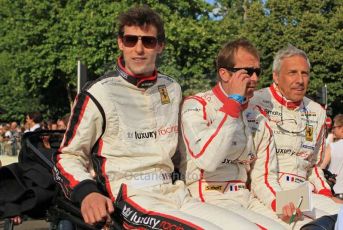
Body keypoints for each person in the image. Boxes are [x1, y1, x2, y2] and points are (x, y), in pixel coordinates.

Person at [54, 5, 258, 229]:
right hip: (130, 197)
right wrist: (87, 192)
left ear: (160, 45)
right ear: (120, 43)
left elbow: (187, 152)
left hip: (177, 192)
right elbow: (68, 156)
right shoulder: (98, 92)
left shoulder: (172, 87)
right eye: (131, 40)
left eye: (148, 41)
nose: (139, 49)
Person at [178, 38, 298, 229]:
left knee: (305, 224)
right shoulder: (197, 105)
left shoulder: (257, 116)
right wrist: (233, 103)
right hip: (208, 194)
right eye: (248, 72)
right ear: (224, 74)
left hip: (246, 196)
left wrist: (280, 204)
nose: (255, 79)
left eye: (257, 71)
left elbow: (264, 177)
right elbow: (208, 160)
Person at [251, 44, 342, 227]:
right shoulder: (254, 102)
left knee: (340, 218)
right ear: (276, 76)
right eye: (292, 73)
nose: (300, 80)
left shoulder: (316, 111)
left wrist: (327, 195)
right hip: (264, 194)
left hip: (303, 194)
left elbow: (314, 166)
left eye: (305, 73)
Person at [321, 114, 343, 197]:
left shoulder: (332, 146)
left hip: (335, 192)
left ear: (342, 128)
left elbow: (321, 169)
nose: (332, 130)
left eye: (334, 127)